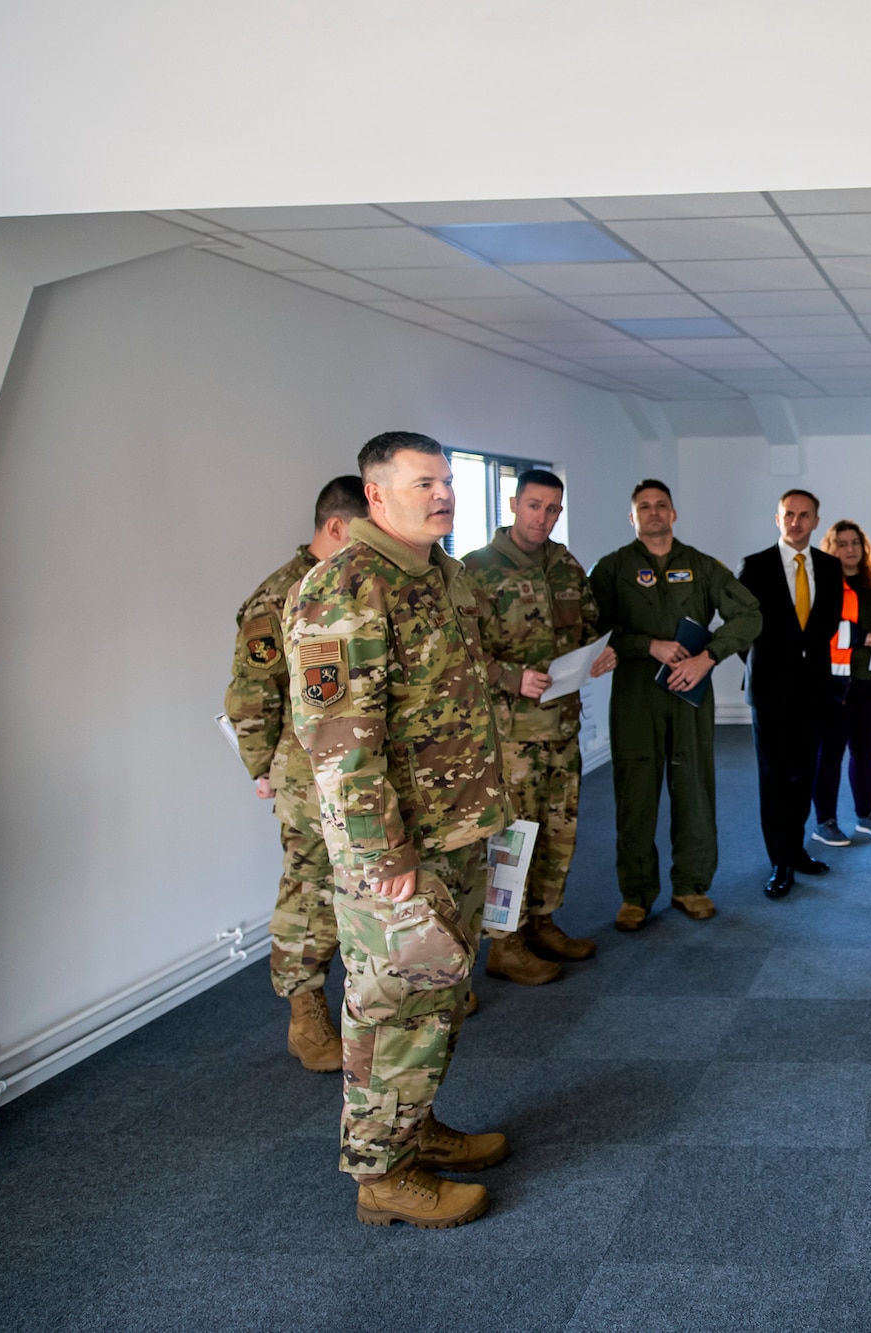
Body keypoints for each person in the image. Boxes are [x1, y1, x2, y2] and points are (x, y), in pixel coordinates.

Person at [285, 431, 514, 1229]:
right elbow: (338, 740)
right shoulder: (345, 587)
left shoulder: (442, 574)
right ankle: (382, 1175)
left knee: (441, 998)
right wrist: (384, 856)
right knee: (393, 1006)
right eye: (425, 483)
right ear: (375, 495)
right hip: (397, 851)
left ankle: (414, 1131)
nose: (444, 494)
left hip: (455, 831)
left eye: (448, 481)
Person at [223, 475, 368, 1072]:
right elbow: (251, 696)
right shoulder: (278, 596)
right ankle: (305, 1013)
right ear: (335, 527)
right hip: (305, 775)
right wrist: (262, 768)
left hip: (359, 765)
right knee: (310, 892)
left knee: (366, 887)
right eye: (363, 534)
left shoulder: (356, 586)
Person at [462, 469, 616, 984]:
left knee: (558, 832)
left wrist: (601, 654)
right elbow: (456, 658)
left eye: (552, 509)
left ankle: (541, 922)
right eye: (533, 506)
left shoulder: (565, 564)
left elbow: (589, 626)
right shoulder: (475, 571)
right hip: (510, 737)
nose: (542, 518)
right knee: (512, 839)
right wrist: (509, 676)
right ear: (513, 502)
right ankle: (505, 943)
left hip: (561, 725)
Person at [591, 479, 762, 929]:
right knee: (635, 793)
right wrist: (646, 645)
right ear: (632, 517)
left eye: (661, 505)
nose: (653, 513)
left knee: (694, 790)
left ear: (673, 513)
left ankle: (691, 885)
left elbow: (749, 614)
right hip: (635, 694)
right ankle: (636, 894)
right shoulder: (612, 568)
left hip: (688, 692)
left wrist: (709, 657)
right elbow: (590, 628)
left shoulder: (704, 568)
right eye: (643, 507)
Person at [737, 489, 844, 898]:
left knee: (804, 774)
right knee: (776, 777)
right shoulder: (756, 566)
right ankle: (779, 861)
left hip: (814, 689)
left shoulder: (830, 567)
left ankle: (797, 850)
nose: (796, 522)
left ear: (816, 521)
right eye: (788, 515)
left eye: (804, 515)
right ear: (777, 518)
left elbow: (827, 625)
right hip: (769, 692)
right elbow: (737, 627)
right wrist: (761, 667)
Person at [811, 519, 871, 847]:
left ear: (863, 547)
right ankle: (825, 821)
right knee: (831, 752)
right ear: (832, 548)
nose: (850, 549)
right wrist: (858, 636)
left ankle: (866, 815)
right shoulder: (821, 583)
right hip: (836, 682)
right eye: (842, 544)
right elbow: (817, 627)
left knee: (866, 750)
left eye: (855, 543)